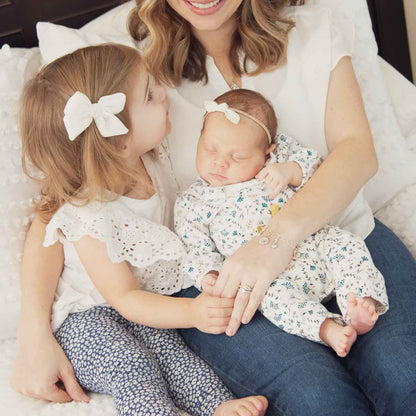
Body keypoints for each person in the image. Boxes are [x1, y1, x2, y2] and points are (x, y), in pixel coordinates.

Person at [11, 0, 416, 415]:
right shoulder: (124, 65)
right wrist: (34, 333)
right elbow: (61, 207)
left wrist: (275, 241)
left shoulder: (315, 26)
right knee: (321, 402)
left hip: (341, 236)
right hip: (228, 281)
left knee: (406, 375)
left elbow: (358, 153)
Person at [15, 43, 268, 416]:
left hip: (138, 310)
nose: (164, 93)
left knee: (177, 358)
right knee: (132, 367)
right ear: (118, 141)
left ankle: (217, 407)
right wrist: (192, 313)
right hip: (86, 321)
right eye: (150, 95)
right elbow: (124, 298)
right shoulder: (90, 213)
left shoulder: (152, 158)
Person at [175, 89, 389, 357]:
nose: (220, 162)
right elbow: (194, 250)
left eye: (237, 156)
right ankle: (326, 328)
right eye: (210, 148)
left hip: (313, 243)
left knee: (346, 243)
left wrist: (290, 171)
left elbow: (316, 166)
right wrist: (210, 276)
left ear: (267, 153)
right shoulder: (193, 202)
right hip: (271, 277)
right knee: (271, 300)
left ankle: (359, 302)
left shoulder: (279, 159)